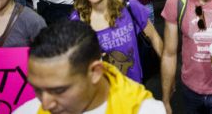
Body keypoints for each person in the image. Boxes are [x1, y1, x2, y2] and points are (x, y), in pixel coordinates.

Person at [14, 20, 167, 114]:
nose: (45, 104)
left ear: (95, 72)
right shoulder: (28, 111)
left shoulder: (145, 110)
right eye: (38, 89)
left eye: (59, 90)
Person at [70, 0, 163, 83]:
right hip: (101, 94)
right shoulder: (77, 20)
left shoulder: (130, 6)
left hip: (133, 88)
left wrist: (166, 70)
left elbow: (154, 37)